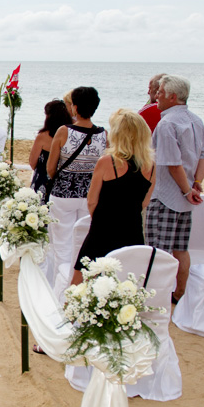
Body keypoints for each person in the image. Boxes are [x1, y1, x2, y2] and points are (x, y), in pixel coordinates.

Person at [144, 74, 204, 304]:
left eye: (160, 93)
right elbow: (203, 156)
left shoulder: (167, 123)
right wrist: (196, 184)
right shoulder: (196, 120)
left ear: (172, 97)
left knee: (158, 250)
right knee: (181, 248)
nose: (156, 97)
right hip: (185, 195)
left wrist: (186, 189)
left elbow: (172, 163)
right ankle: (179, 292)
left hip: (166, 196)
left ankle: (157, 296)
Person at [72, 109, 156, 282]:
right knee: (125, 283)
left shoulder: (107, 162)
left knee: (81, 283)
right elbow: (144, 202)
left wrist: (102, 220)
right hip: (132, 230)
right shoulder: (151, 166)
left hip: (102, 229)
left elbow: (92, 201)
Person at [45, 87, 107, 280]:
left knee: (62, 245)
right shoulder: (104, 134)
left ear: (75, 107)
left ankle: (60, 288)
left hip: (63, 193)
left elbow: (50, 167)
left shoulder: (64, 131)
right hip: (90, 194)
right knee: (83, 244)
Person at [29, 99, 73, 195]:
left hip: (42, 181)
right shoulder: (71, 136)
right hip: (64, 183)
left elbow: (32, 163)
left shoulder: (43, 136)